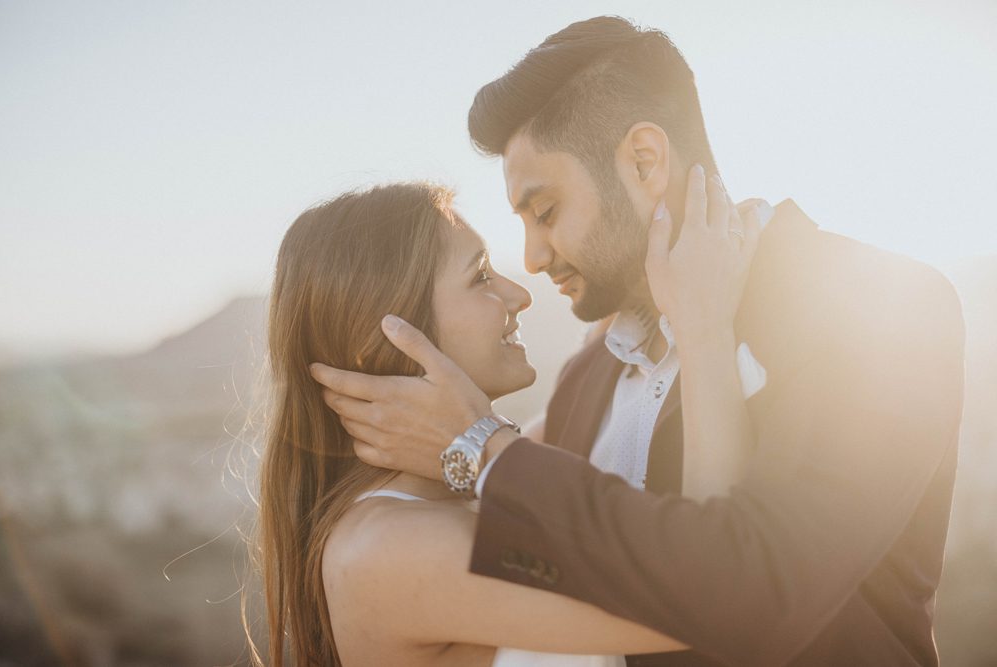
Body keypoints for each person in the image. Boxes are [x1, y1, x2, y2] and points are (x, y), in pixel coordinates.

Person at [310, 16, 966, 667]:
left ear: (644, 161)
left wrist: (483, 447)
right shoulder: (584, 379)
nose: (533, 259)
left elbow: (758, 594)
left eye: (545, 212)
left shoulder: (884, 313)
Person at [253, 180, 758, 666]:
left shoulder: (454, 492)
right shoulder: (390, 549)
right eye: (481, 276)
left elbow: (541, 446)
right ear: (388, 340)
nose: (520, 295)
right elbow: (719, 597)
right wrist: (702, 326)